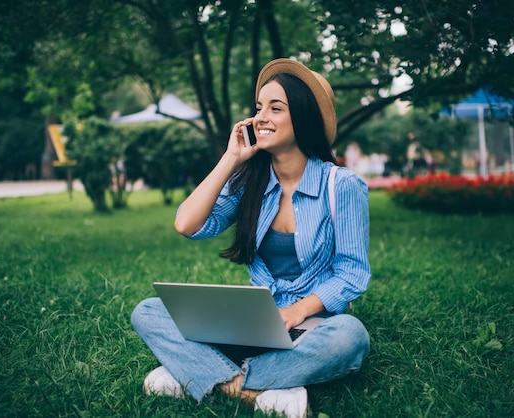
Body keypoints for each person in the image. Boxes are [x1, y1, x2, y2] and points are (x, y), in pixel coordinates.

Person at [131, 58, 371, 418]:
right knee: (148, 311)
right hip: (253, 323)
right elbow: (188, 225)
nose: (261, 117)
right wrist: (231, 158)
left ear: (303, 118)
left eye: (276, 108)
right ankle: (259, 391)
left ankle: (196, 374)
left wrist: (294, 312)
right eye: (259, 107)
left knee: (351, 336)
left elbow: (352, 273)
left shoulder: (342, 186)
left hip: (309, 325)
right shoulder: (249, 182)